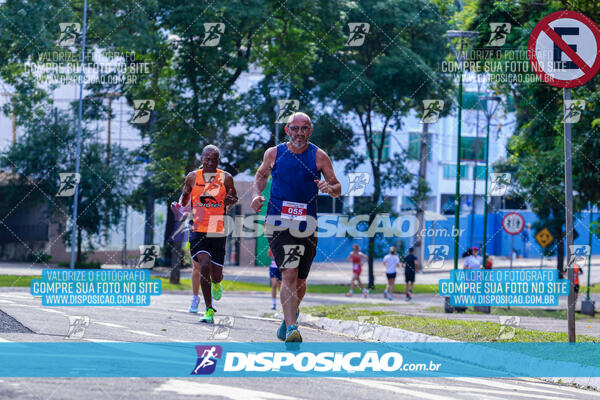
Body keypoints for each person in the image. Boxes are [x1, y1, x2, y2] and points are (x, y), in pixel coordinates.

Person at [251, 111, 341, 343]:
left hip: (307, 224)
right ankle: (292, 327)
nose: (299, 133)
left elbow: (337, 187)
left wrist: (328, 188)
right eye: (295, 128)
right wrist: (255, 195)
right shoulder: (274, 153)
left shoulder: (319, 156)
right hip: (278, 222)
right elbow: (261, 175)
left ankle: (288, 317)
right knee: (288, 273)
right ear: (287, 130)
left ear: (310, 131)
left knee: (300, 281)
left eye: (304, 128)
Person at [173, 145, 238, 323]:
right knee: (203, 265)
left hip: (218, 231)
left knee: (215, 274)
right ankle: (209, 309)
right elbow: (184, 196)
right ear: (201, 159)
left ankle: (217, 282)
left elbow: (234, 198)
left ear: (218, 161)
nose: (210, 162)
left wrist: (230, 200)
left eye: (214, 159)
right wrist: (180, 205)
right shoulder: (193, 177)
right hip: (198, 229)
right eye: (207, 159)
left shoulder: (226, 178)